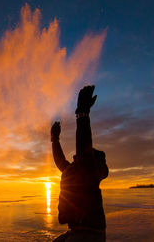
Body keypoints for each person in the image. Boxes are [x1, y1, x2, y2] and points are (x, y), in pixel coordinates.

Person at [51, 85, 108, 242]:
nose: (76, 157)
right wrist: (54, 139)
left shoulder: (88, 171)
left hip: (89, 236)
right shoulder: (75, 172)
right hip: (77, 231)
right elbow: (61, 162)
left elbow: (84, 147)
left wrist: (82, 114)